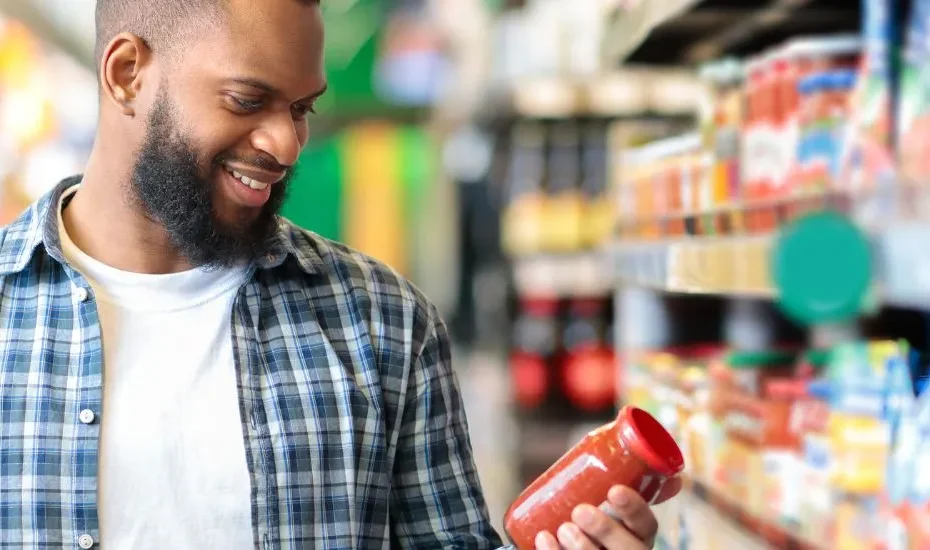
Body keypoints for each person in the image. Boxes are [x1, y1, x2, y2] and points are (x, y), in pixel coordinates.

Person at [0, 0, 680, 548]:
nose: (285, 144)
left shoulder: (383, 324)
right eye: (246, 100)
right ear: (127, 73)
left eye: (301, 109)